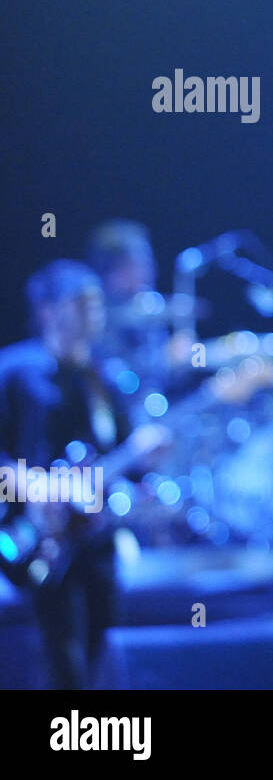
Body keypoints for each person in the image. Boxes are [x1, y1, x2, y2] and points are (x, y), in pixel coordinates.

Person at [0, 261, 138, 688]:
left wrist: (145, 458)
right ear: (47, 310)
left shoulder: (104, 378)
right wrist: (29, 483)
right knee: (55, 652)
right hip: (32, 534)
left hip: (94, 536)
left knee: (99, 648)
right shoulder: (14, 371)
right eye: (80, 303)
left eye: (96, 304)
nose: (91, 313)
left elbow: (122, 456)